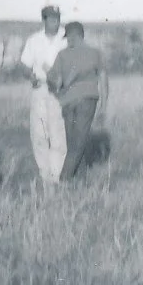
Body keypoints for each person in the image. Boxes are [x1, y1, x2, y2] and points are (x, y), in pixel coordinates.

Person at [45, 21, 108, 182]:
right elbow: (103, 79)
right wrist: (103, 106)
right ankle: (64, 181)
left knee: (73, 143)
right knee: (77, 144)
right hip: (87, 100)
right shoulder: (95, 53)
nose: (69, 40)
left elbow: (51, 80)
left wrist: (58, 94)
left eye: (70, 37)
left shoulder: (62, 55)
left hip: (67, 102)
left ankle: (76, 182)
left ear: (76, 36)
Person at [18, 4, 69, 184]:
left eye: (57, 18)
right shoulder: (34, 40)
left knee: (58, 132)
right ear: (44, 20)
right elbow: (24, 64)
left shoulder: (66, 39)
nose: (55, 22)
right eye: (51, 18)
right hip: (40, 89)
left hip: (59, 92)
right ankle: (44, 173)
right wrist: (31, 76)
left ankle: (56, 175)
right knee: (39, 133)